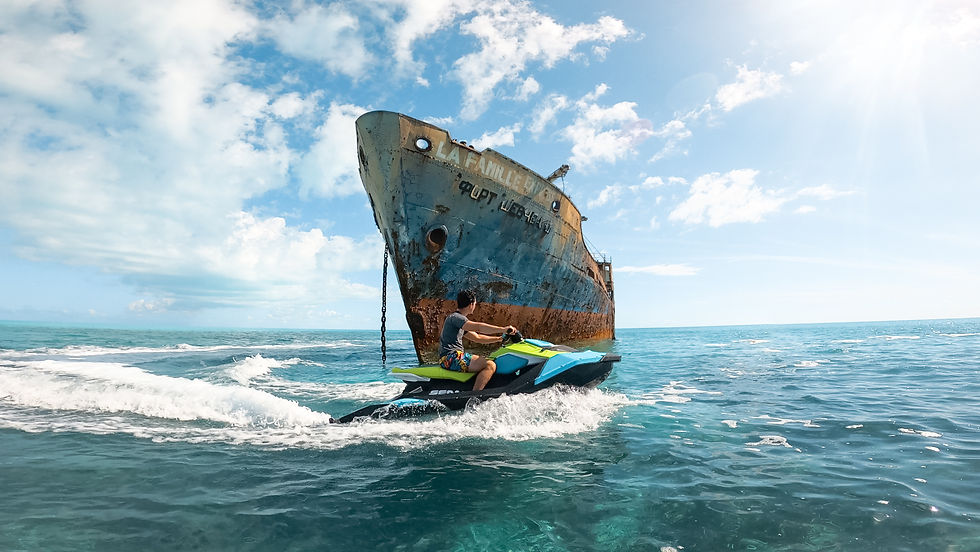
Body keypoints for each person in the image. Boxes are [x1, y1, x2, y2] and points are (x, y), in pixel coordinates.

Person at [439, 290, 517, 391]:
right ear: (471, 304)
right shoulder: (457, 318)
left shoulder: (457, 321)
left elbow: (478, 338)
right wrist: (503, 329)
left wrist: (499, 339)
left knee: (488, 360)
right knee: (490, 364)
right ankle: (474, 396)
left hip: (450, 358)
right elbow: (479, 327)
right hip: (452, 358)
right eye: (475, 303)